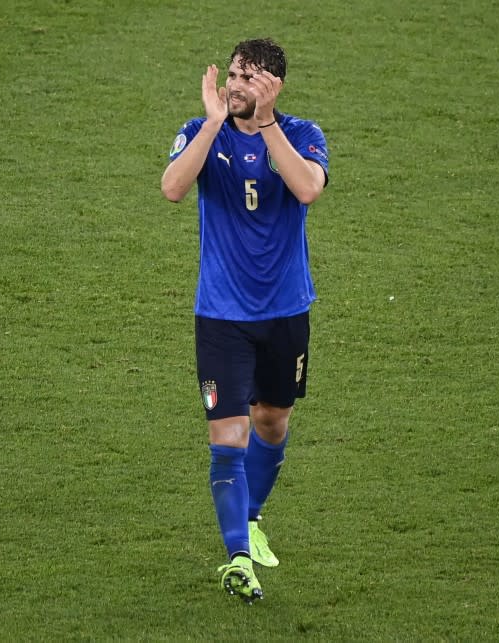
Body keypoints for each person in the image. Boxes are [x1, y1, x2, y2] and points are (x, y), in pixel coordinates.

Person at [160, 38, 329, 603]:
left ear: (275, 86)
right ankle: (237, 558)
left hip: (284, 312)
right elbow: (172, 189)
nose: (235, 85)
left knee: (272, 422)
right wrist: (212, 125)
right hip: (221, 316)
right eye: (233, 74)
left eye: (249, 78)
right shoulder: (202, 130)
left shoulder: (304, 134)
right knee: (227, 437)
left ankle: (251, 521)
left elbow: (306, 188)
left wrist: (266, 122)